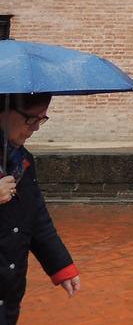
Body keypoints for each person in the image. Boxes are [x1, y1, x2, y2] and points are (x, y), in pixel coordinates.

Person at [1, 93, 80, 325]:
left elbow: (35, 218)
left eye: (41, 119)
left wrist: (62, 266)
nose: (35, 128)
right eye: (30, 119)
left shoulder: (22, 161)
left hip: (8, 293)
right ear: (3, 109)